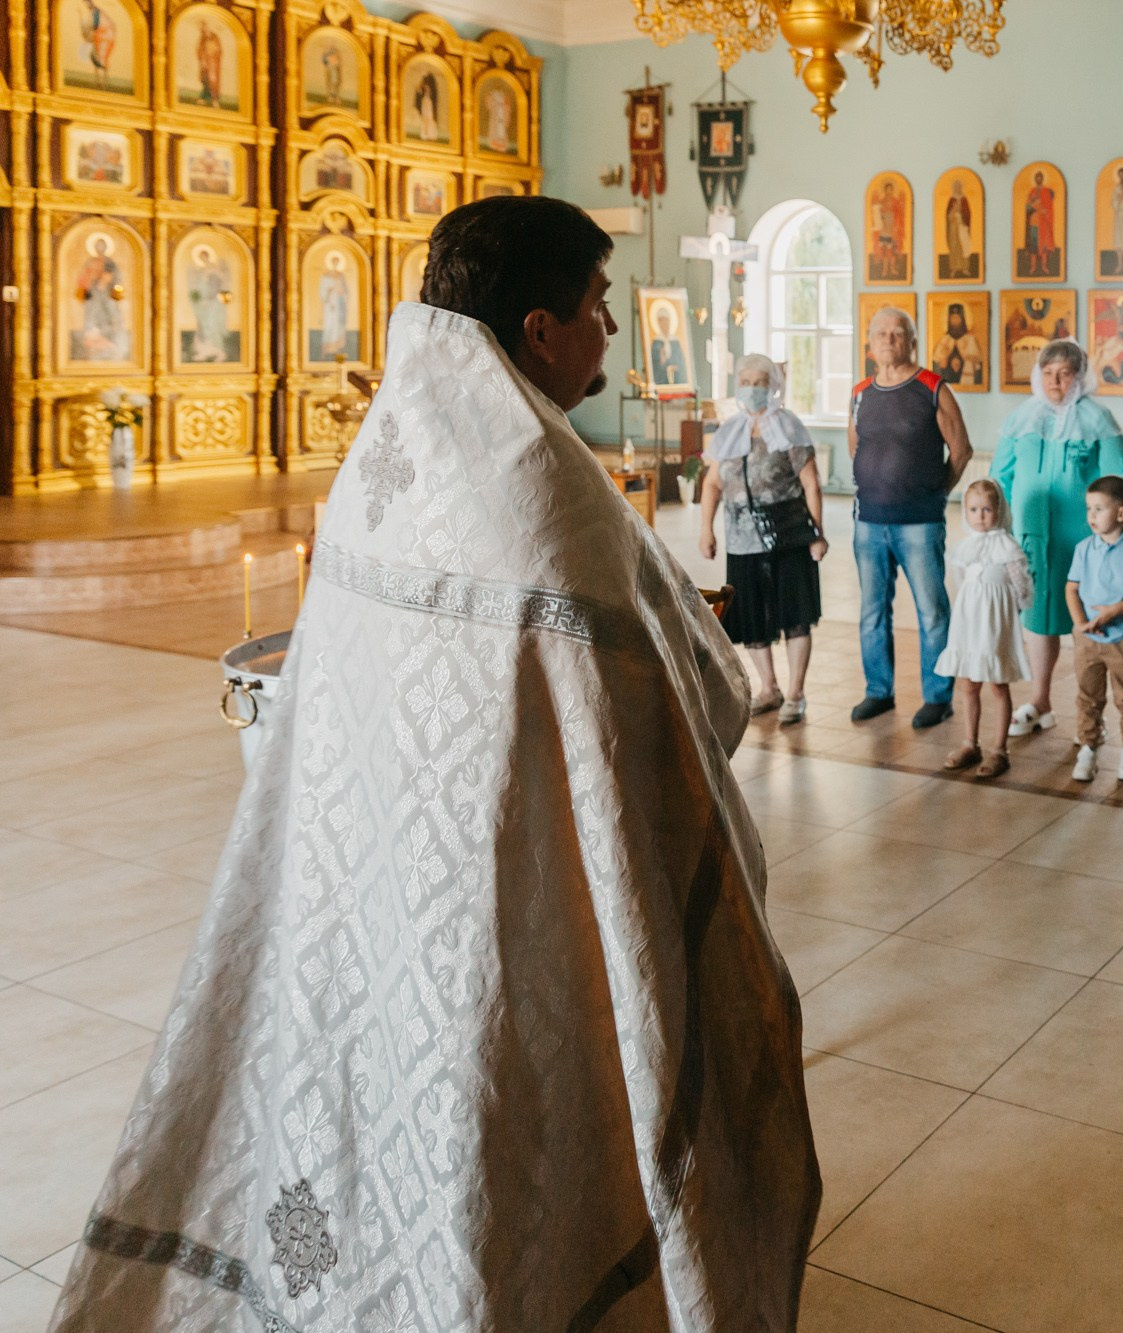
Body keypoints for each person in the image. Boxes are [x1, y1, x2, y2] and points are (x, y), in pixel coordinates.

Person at [47, 196, 821, 1333]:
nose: (610, 328)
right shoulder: (541, 491)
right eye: (600, 306)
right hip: (510, 898)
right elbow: (697, 686)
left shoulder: (384, 458)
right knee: (497, 1107)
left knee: (377, 1094)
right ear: (542, 328)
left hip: (366, 883)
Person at [990, 338, 1123, 738]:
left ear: (1079, 377)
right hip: (1033, 538)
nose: (1055, 381)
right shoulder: (1022, 418)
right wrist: (999, 528)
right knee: (1039, 619)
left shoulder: (1098, 420)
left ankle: (1090, 716)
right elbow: (1001, 477)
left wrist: (1109, 535)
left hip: (1084, 540)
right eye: (1048, 373)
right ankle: (1040, 700)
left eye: (1065, 373)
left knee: (1087, 624)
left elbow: (1115, 482)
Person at [849, 304, 975, 730]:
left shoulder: (932, 387)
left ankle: (938, 696)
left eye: (897, 333)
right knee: (871, 612)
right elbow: (856, 446)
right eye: (880, 333)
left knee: (932, 612)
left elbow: (961, 451)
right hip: (868, 521)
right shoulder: (861, 391)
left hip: (919, 523)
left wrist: (935, 492)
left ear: (912, 341)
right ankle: (878, 691)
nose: (888, 339)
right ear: (869, 344)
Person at [699, 353, 827, 725]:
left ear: (774, 386)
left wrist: (817, 533)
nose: (753, 389)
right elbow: (711, 484)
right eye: (747, 381)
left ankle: (797, 692)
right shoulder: (729, 430)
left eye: (760, 382)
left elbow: (811, 483)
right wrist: (706, 529)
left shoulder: (788, 428)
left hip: (787, 535)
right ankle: (769, 687)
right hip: (741, 540)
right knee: (752, 616)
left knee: (795, 614)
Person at [935, 479, 1034, 780]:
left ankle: (999, 749)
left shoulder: (1008, 547)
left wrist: (1014, 612)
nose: (980, 516)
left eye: (987, 510)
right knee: (968, 684)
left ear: (999, 511)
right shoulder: (965, 547)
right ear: (965, 511)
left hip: (994, 624)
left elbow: (1021, 586)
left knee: (997, 683)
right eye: (974, 509)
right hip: (969, 622)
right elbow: (960, 579)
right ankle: (970, 743)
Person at [1067, 475, 1123, 784]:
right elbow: (1072, 588)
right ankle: (1088, 748)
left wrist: (1115, 611)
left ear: (1121, 513)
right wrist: (1080, 624)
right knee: (1088, 695)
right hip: (1087, 639)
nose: (1091, 516)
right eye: (1089, 508)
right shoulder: (1083, 549)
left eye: (1099, 509)